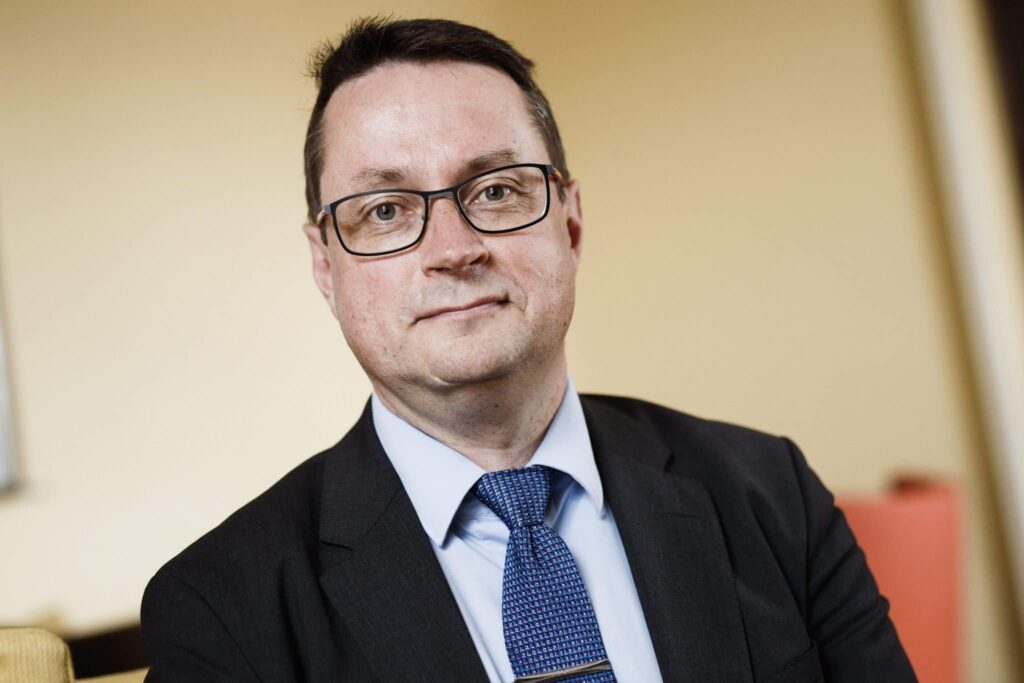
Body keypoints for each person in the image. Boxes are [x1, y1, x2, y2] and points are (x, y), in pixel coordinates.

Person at [140, 16, 916, 683]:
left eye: (496, 190)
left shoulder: (770, 491)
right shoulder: (220, 609)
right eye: (385, 210)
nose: (453, 248)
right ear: (325, 265)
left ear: (570, 222)